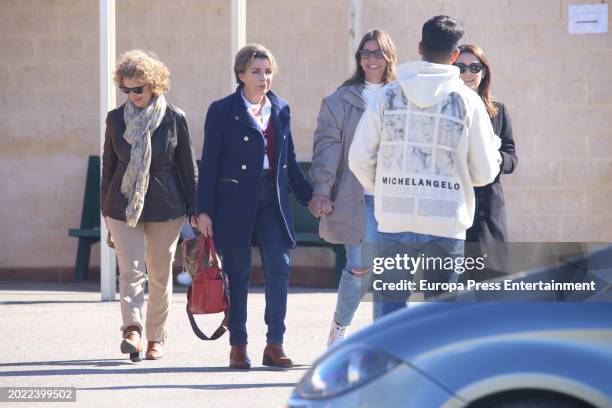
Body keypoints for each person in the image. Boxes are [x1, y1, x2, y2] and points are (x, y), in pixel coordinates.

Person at [349, 16, 502, 316]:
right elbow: (485, 173)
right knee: (440, 316)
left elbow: (358, 158)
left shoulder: (388, 95)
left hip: (395, 217)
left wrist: (381, 188)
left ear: (419, 47)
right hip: (445, 219)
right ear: (455, 55)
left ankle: (387, 363)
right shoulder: (467, 101)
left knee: (389, 312)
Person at [196, 44, 313, 369]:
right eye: (257, 71)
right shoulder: (222, 110)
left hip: (272, 200)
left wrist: (310, 198)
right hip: (233, 200)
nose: (264, 78)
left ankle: (274, 344)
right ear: (241, 75)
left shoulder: (280, 109)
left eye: (268, 71)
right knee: (238, 272)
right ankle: (238, 345)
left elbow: (288, 161)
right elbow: (209, 163)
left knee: (280, 266)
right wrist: (203, 210)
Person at [101, 49, 198, 361]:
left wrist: (196, 211)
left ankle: (156, 337)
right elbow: (108, 165)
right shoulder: (115, 120)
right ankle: (132, 329)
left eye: (138, 89)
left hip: (166, 206)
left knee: (158, 273)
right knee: (129, 271)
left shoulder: (174, 119)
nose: (132, 95)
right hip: (123, 204)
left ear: (154, 85)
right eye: (126, 89)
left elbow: (187, 168)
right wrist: (105, 208)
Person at [309, 30, 397, 347]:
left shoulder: (403, 96)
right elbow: (327, 149)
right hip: (356, 197)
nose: (371, 59)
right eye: (365, 53)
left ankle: (384, 340)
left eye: (378, 53)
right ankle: (340, 326)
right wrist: (322, 189)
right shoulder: (339, 100)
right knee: (360, 267)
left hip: (396, 198)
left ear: (389, 56)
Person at [456, 44, 517, 283]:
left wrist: (497, 157)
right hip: (457, 205)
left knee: (492, 281)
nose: (468, 73)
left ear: (484, 72)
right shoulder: (445, 108)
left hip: (488, 208)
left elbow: (512, 157)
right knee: (455, 285)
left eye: (474, 67)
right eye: (460, 67)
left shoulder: (498, 110)